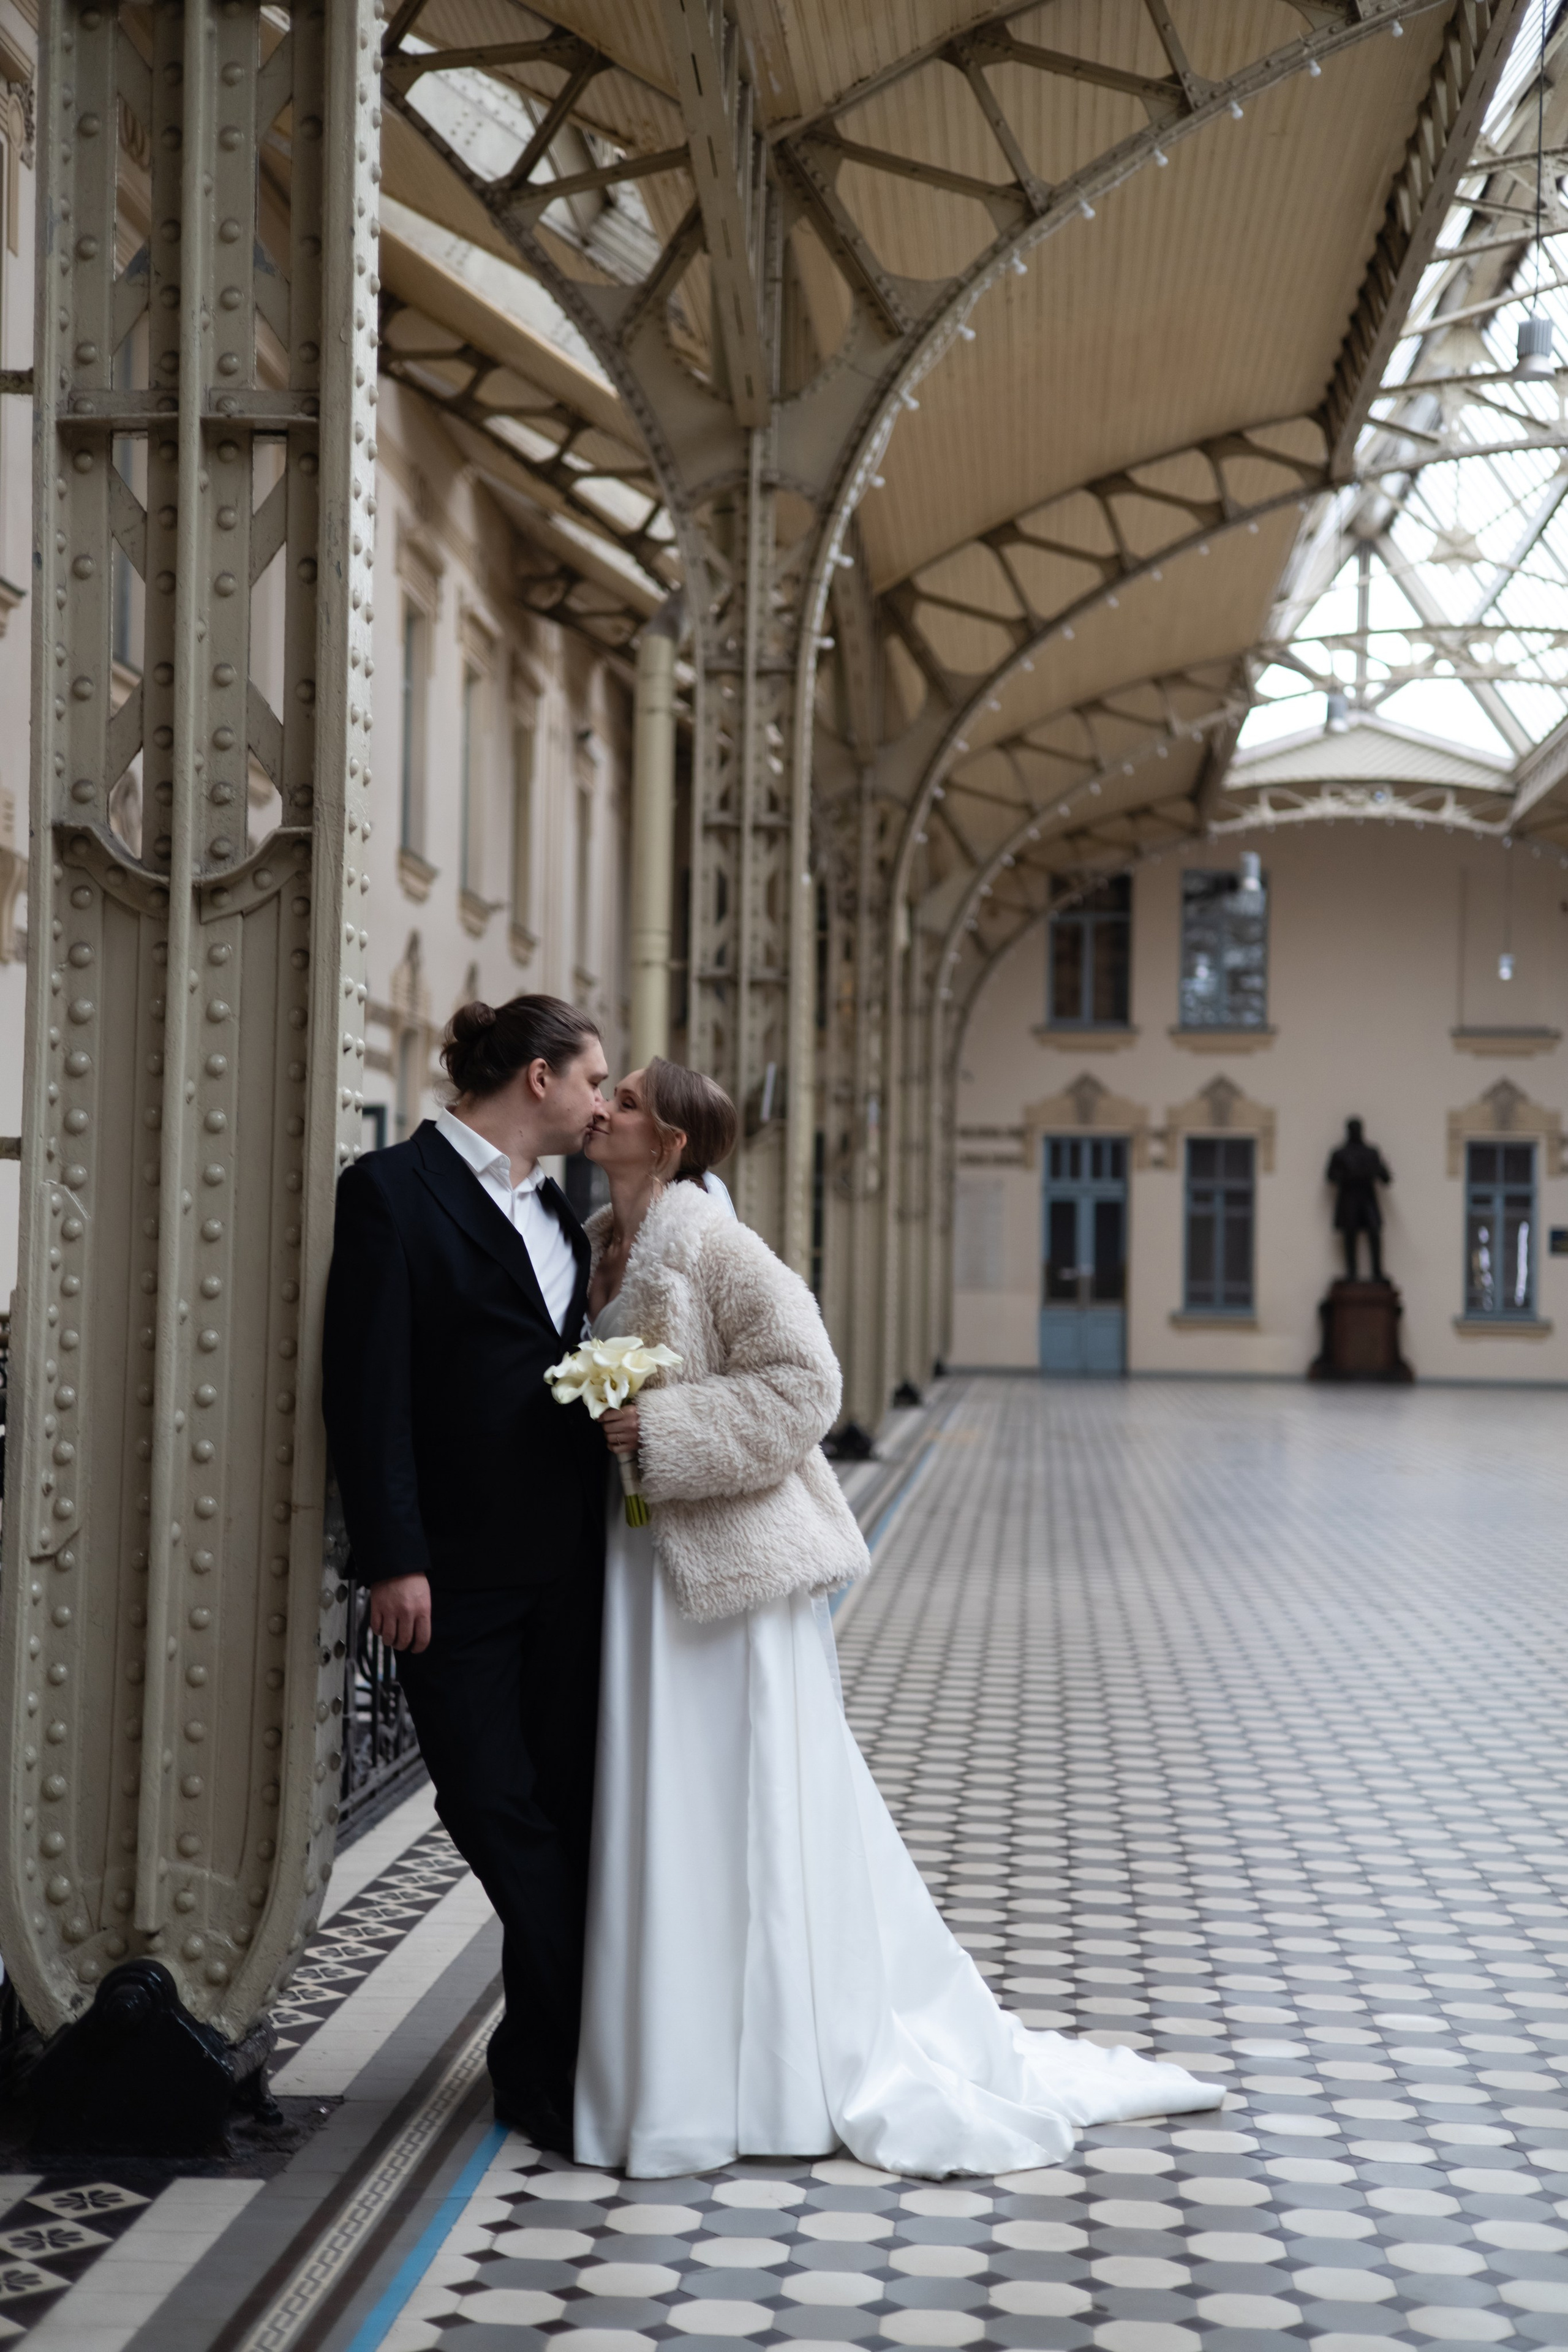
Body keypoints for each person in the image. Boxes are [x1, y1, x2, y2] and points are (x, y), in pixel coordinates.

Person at [573, 1058, 1221, 2178]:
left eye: (627, 1101)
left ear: (673, 1142)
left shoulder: (715, 1243)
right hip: (644, 1561)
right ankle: (674, 2058)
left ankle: (762, 2074)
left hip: (725, 1578)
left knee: (736, 1802)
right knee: (665, 1799)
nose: (605, 1110)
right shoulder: (603, 1238)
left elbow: (806, 1382)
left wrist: (664, 1434)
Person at [322, 995, 609, 2155]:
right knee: (491, 1805)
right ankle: (598, 2024)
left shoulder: (568, 1210)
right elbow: (367, 1390)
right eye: (592, 1078)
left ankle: (543, 2071)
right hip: (455, 1576)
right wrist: (395, 1558)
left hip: (577, 1568)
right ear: (536, 1078)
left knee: (573, 1807)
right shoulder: (391, 1192)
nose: (604, 1101)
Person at [1327, 1115, 1393, 1282]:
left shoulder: (1371, 1152)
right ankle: (1352, 1273)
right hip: (1349, 1200)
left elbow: (1386, 1177)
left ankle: (1377, 1272)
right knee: (1350, 1235)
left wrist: (1375, 1171)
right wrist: (1348, 1176)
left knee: (1374, 1231)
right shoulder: (1340, 1153)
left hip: (1368, 1199)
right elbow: (1331, 1176)